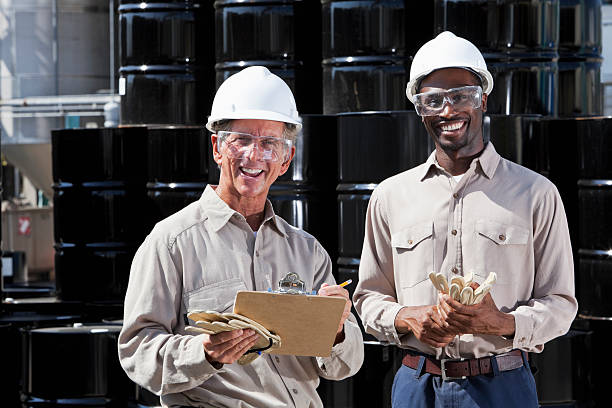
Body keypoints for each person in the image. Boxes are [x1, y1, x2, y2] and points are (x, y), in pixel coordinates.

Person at [353, 31, 577, 407]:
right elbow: (368, 297)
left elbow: (561, 303)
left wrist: (501, 322)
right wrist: (408, 318)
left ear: (484, 99)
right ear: (420, 108)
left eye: (461, 96)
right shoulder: (389, 197)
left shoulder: (536, 194)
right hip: (416, 385)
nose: (447, 110)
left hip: (503, 386)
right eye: (433, 100)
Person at [118, 66, 364, 407]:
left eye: (269, 144)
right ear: (218, 148)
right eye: (242, 140)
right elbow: (137, 351)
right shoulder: (172, 242)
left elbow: (345, 365)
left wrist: (336, 330)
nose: (254, 155)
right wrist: (203, 352)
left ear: (285, 159)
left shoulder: (307, 251)